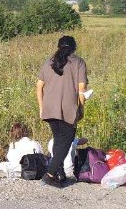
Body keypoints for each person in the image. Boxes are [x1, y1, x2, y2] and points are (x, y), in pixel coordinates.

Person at [37, 35, 88, 187]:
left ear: (59, 47)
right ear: (74, 48)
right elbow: (82, 89)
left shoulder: (48, 63)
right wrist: (81, 108)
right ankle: (50, 173)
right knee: (66, 140)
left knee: (58, 140)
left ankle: (59, 173)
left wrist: (41, 107)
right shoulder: (78, 62)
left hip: (49, 107)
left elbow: (39, 86)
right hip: (68, 108)